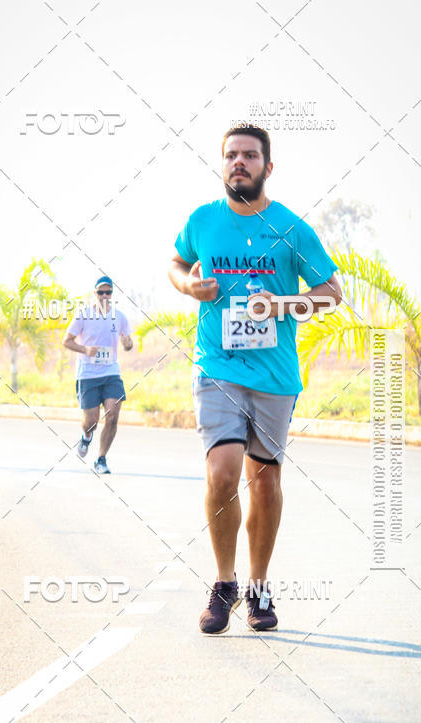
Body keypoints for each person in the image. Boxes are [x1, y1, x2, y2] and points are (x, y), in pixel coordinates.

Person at [168, 125, 342, 634]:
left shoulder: (291, 229)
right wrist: (189, 286)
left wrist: (283, 303)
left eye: (249, 156)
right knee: (222, 473)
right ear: (222, 165)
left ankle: (258, 586)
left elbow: (331, 291)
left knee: (264, 484)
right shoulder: (202, 221)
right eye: (230, 156)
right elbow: (176, 262)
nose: (238, 163)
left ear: (269, 166)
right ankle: (224, 583)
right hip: (216, 367)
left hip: (274, 376)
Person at [62, 276, 133, 475]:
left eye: (107, 292)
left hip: (111, 372)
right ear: (94, 294)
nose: (104, 296)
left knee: (112, 416)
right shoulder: (83, 315)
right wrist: (85, 349)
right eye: (100, 292)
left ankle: (101, 459)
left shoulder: (119, 317)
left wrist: (127, 343)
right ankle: (86, 436)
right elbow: (66, 341)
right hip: (87, 375)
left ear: (111, 294)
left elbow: (128, 343)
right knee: (91, 421)